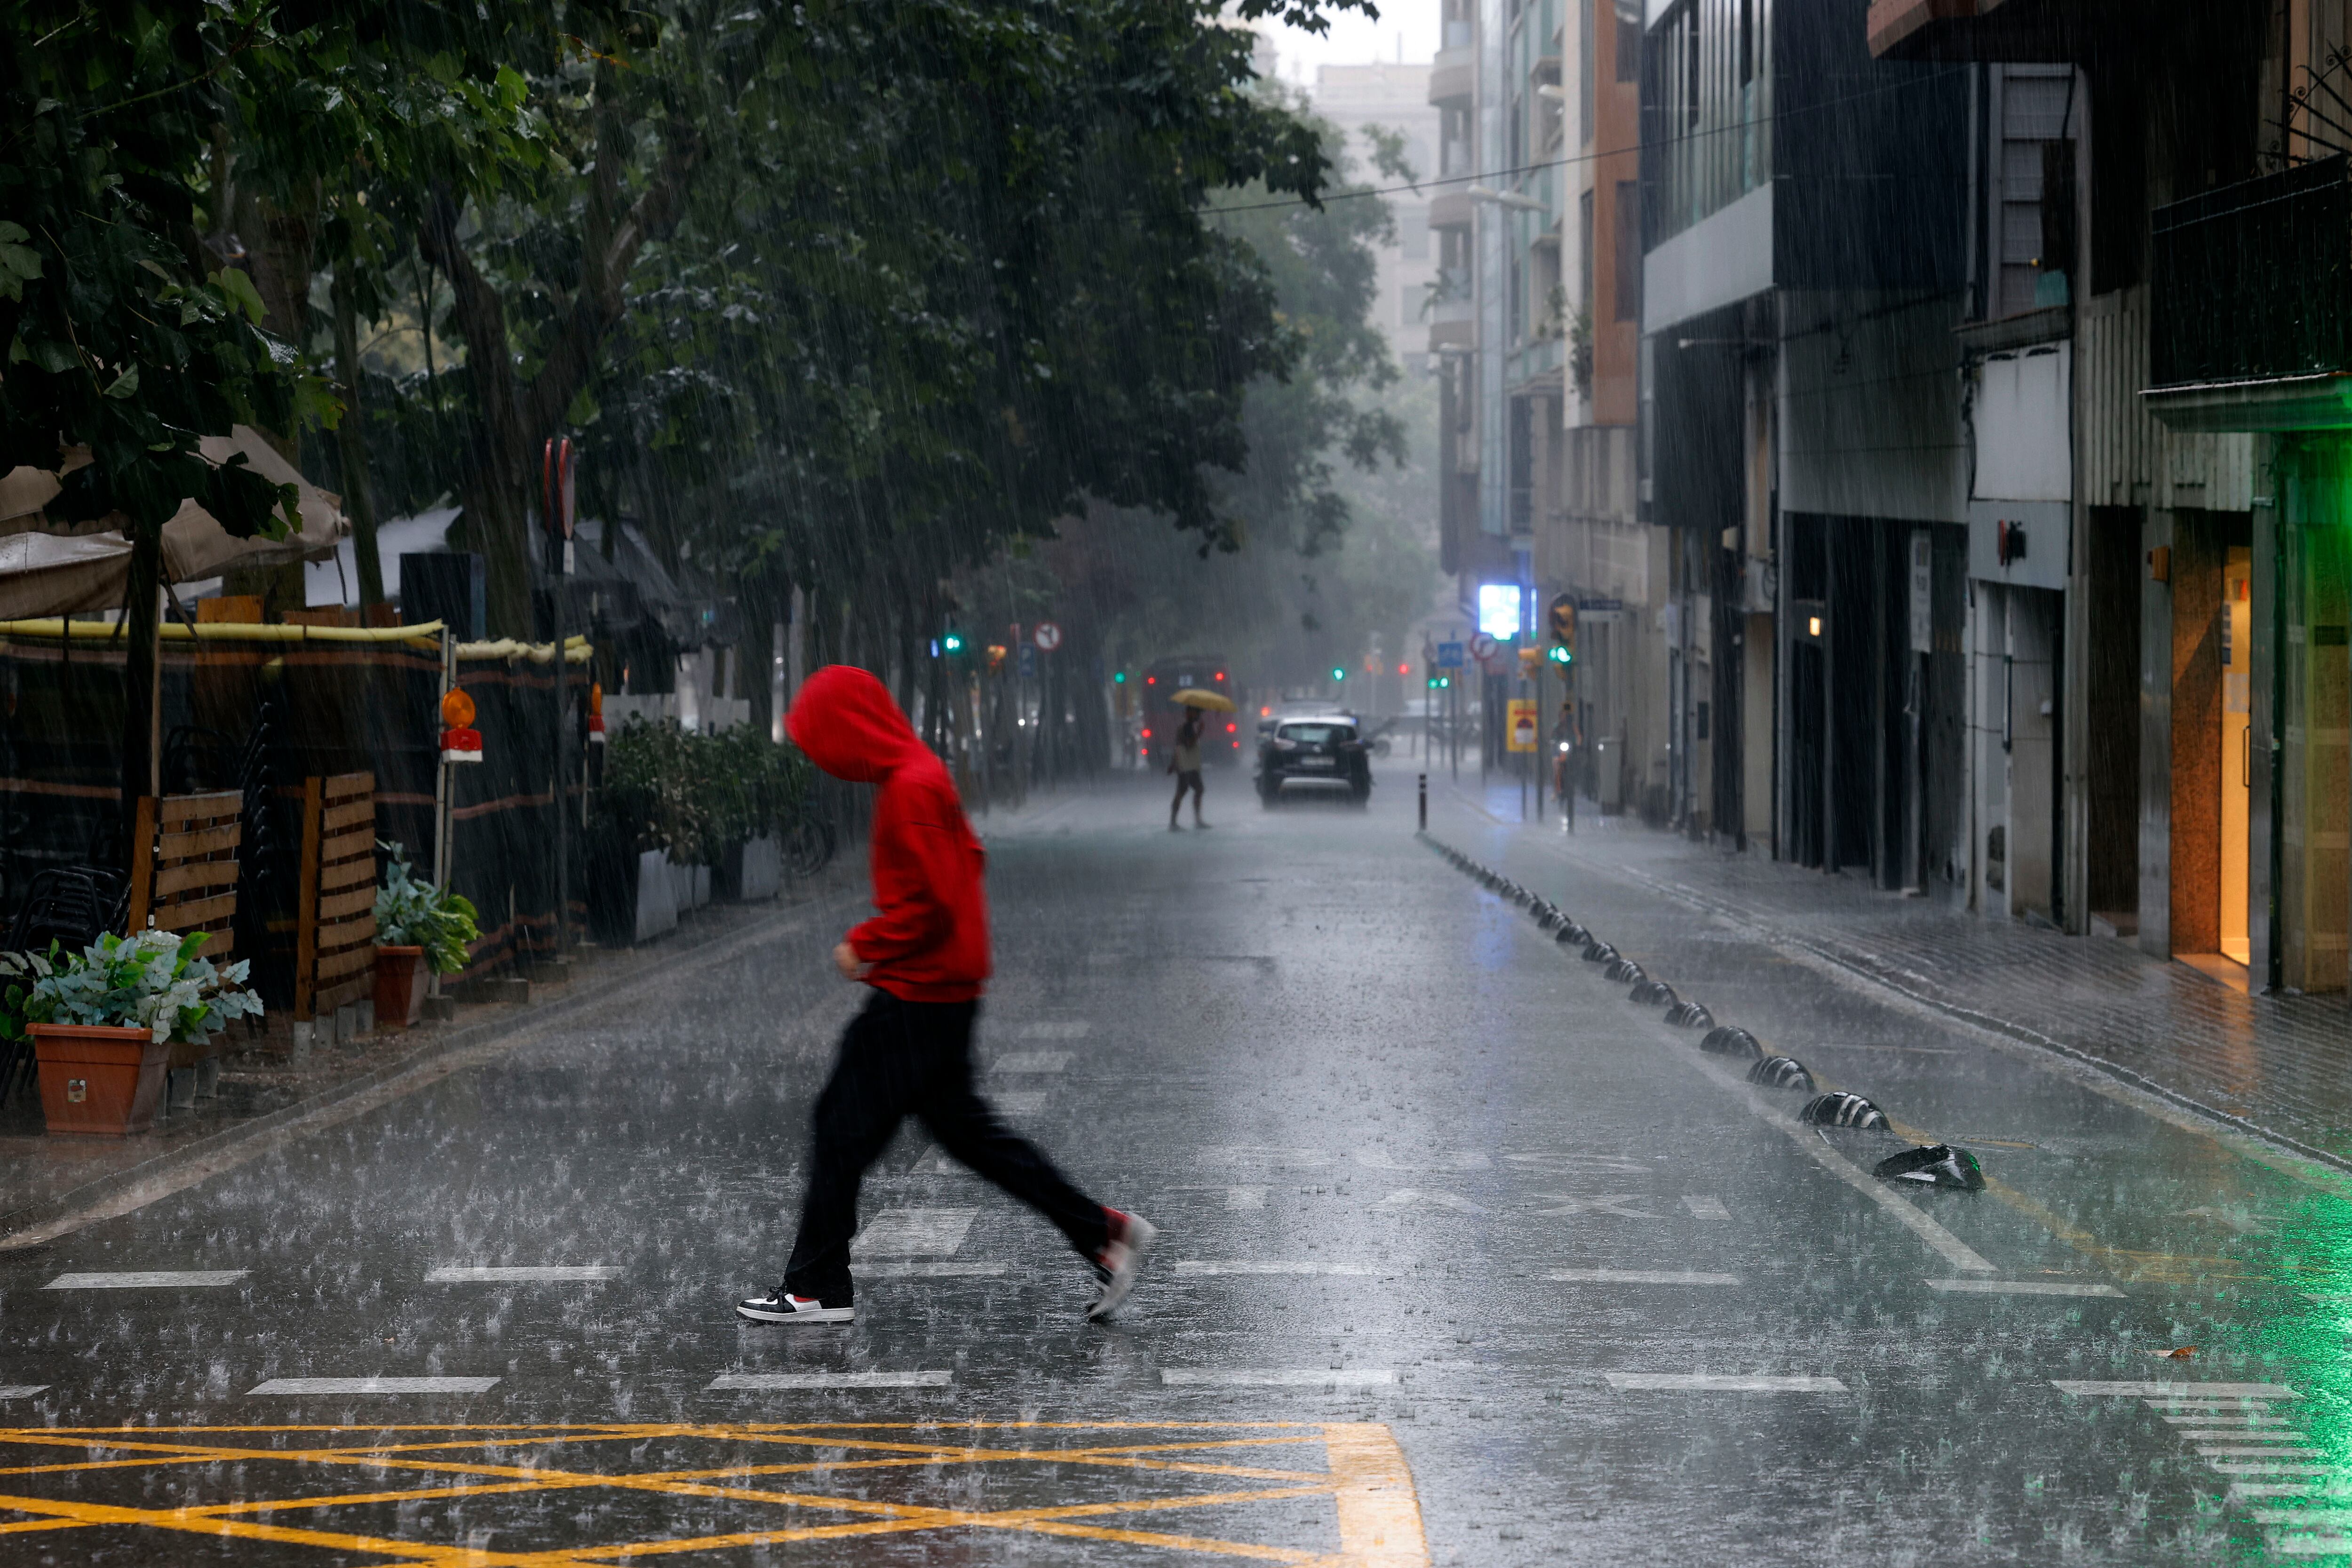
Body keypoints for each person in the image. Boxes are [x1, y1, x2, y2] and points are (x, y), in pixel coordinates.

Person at [738, 665, 1156, 1325]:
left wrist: (866, 942)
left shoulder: (909, 787)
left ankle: (816, 1286)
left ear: (851, 731)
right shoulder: (921, 774)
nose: (823, 759)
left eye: (823, 740)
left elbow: (934, 902)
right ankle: (1102, 1233)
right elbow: (967, 866)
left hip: (917, 995)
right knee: (975, 1140)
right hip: (941, 993)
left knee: (840, 1128)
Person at [1168, 707, 1207, 829]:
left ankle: (1196, 820)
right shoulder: (1187, 727)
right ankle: (1174, 822)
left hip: (1189, 764)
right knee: (1183, 791)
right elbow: (1189, 744)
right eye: (1197, 713)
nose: (1199, 716)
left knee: (1196, 789)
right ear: (1190, 713)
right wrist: (1200, 732)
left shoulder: (1187, 726)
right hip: (1186, 765)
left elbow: (1178, 746)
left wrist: (1173, 763)